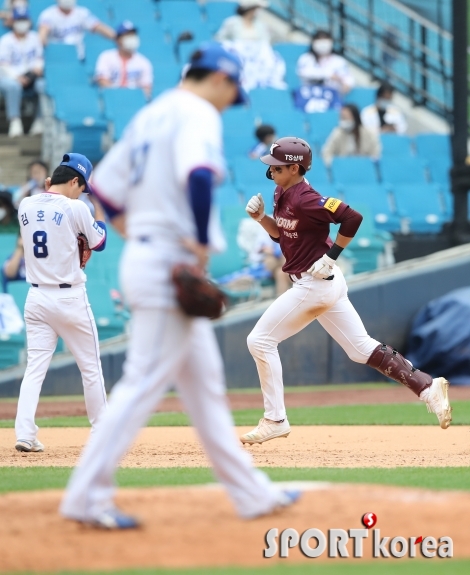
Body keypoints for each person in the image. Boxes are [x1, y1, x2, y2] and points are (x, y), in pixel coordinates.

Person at [59, 42, 300, 530]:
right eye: (230, 92)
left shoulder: (153, 113)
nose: (226, 103)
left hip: (152, 253)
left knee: (206, 387)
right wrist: (195, 241)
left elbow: (103, 185)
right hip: (171, 259)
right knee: (143, 382)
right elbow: (198, 175)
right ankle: (86, 497)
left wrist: (132, 229)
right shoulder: (195, 113)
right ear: (219, 78)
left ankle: (251, 493)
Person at [240, 137, 452, 444]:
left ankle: (275, 419)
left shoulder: (306, 198)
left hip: (315, 282)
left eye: (277, 166)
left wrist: (331, 256)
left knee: (259, 341)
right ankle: (427, 387)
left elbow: (352, 218)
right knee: (360, 348)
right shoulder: (281, 191)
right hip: (321, 283)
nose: (271, 170)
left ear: (295, 168)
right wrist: (262, 220)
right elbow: (282, 237)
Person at [14, 153, 108, 453]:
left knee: (35, 367)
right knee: (91, 368)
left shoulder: (25, 203)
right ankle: (101, 435)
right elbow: (99, 242)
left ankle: (25, 433)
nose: (82, 192)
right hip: (69, 298)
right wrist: (99, 217)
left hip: (36, 297)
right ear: (75, 181)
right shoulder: (76, 206)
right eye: (82, 187)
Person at [0, 7, 44, 137]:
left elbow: (39, 59)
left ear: (29, 21)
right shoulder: (6, 40)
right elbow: (3, 64)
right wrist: (17, 77)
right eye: (19, 20)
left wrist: (36, 71)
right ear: (13, 21)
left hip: (31, 76)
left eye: (24, 19)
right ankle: (15, 121)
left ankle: (39, 121)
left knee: (43, 85)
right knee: (14, 86)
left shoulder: (35, 37)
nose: (22, 22)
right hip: (9, 77)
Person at [38, 0, 115, 60]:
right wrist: (45, 45)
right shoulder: (48, 14)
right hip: (57, 58)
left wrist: (117, 37)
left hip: (77, 57)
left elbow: (99, 27)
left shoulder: (82, 13)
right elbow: (42, 34)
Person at [94, 21, 153, 99]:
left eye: (133, 35)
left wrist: (129, 98)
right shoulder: (106, 57)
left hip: (134, 101)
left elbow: (147, 88)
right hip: (111, 99)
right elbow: (103, 81)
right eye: (127, 35)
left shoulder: (143, 62)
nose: (132, 38)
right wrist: (119, 96)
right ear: (118, 39)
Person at [296, 30, 354, 95]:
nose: (323, 44)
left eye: (325, 40)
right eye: (320, 40)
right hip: (309, 95)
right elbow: (303, 73)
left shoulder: (339, 61)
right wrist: (328, 75)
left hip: (332, 96)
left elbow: (348, 78)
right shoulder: (306, 58)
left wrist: (345, 85)